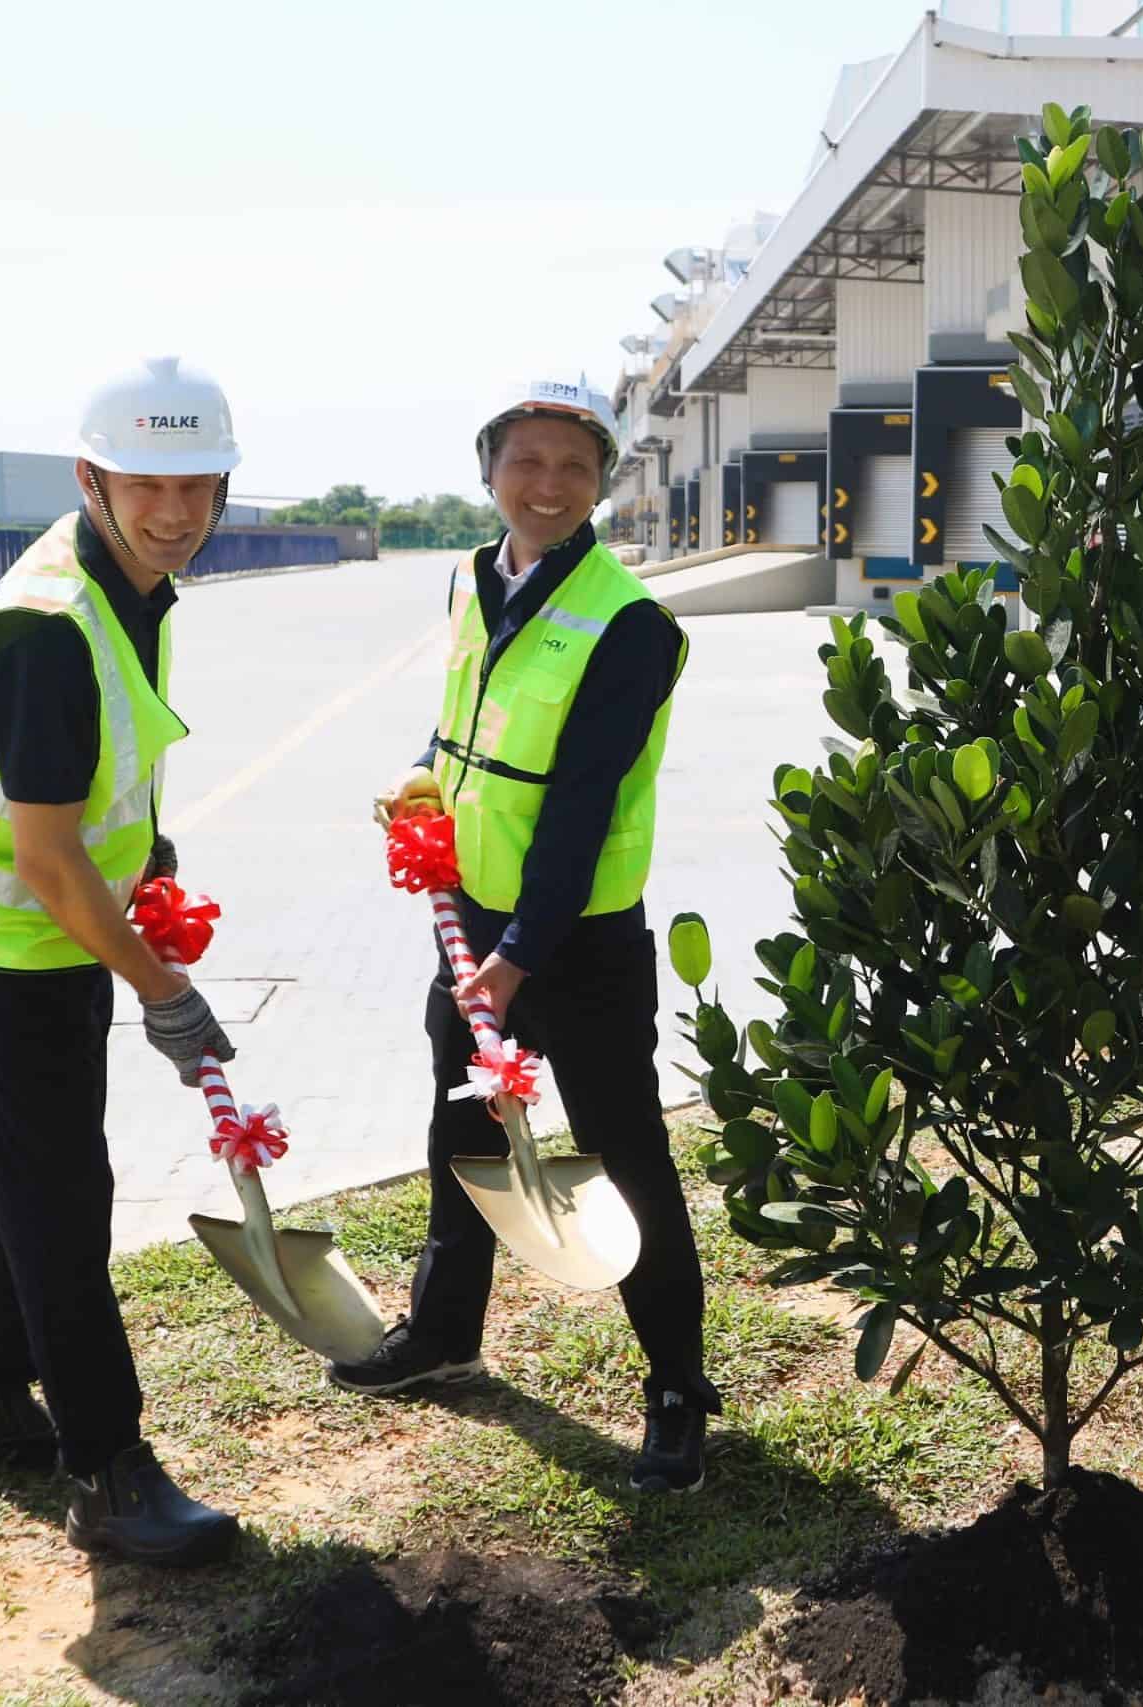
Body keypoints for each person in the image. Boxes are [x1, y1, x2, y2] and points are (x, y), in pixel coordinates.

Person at [0, 357, 245, 1565]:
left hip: (44, 919)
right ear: (91, 479)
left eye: (197, 486)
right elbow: (41, 859)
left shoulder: (132, 582)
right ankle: (105, 1470)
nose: (173, 513)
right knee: (61, 1193)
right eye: (144, 486)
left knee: (42, 1170)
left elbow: (98, 776)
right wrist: (162, 989)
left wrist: (151, 859)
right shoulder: (47, 624)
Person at [332, 380, 718, 1494]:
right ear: (489, 469)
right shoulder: (471, 577)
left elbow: (582, 805)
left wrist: (515, 962)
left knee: (623, 1151)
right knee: (466, 1129)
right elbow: (470, 719)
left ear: (604, 482)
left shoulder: (627, 623)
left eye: (575, 468)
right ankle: (445, 1333)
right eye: (527, 463)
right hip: (475, 919)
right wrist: (421, 783)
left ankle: (678, 1392)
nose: (549, 486)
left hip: (577, 942)